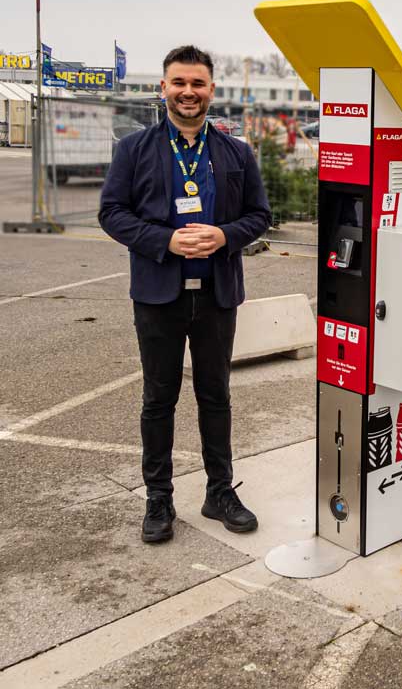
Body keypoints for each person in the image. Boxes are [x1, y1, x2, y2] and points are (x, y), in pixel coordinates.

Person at [99, 45, 271, 544]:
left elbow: (259, 215)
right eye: (179, 83)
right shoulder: (135, 149)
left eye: (197, 84)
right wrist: (165, 240)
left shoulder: (236, 152)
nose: (188, 92)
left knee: (215, 396)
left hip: (217, 294)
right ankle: (159, 497)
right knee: (159, 398)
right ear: (163, 88)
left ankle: (220, 491)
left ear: (211, 90)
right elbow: (112, 213)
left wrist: (225, 236)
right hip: (159, 294)